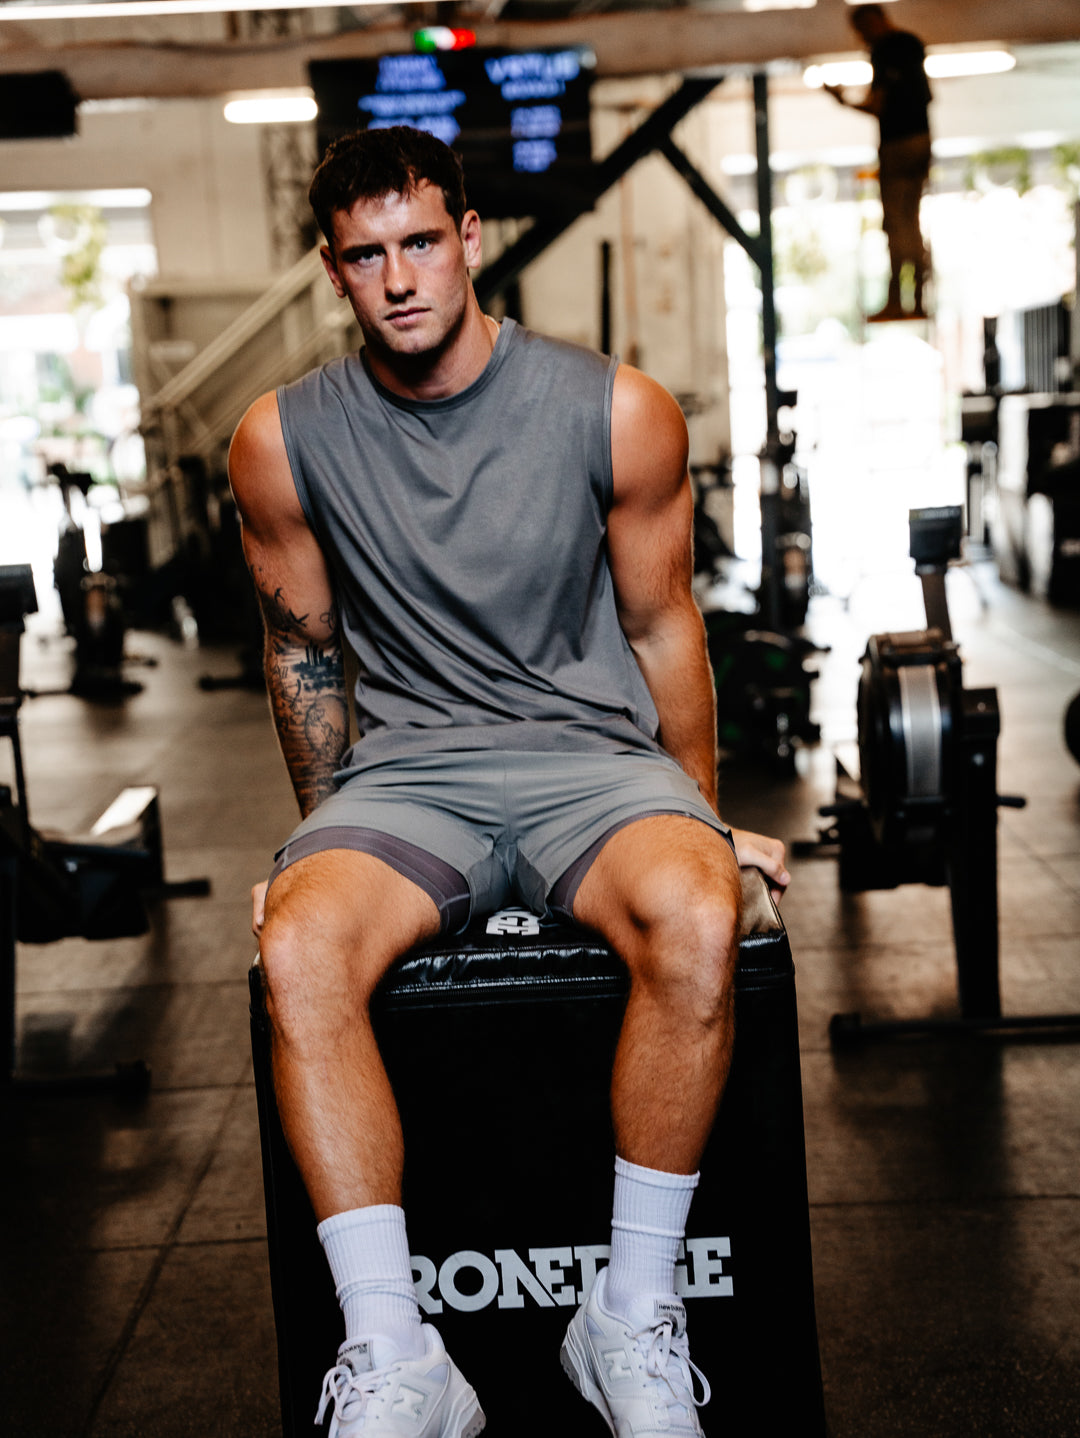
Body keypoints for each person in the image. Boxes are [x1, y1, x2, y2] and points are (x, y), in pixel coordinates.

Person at [228, 124, 790, 1438]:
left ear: (469, 237)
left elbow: (665, 628)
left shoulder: (616, 409)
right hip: (407, 775)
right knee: (300, 941)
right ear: (334, 269)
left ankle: (627, 1316)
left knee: (697, 910)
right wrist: (320, 848)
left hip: (594, 764)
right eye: (367, 256)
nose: (400, 278)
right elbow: (302, 654)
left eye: (423, 241)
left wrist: (702, 823)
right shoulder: (281, 440)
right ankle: (398, 1352)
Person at [826, 2, 933, 321]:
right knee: (911, 222)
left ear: (873, 23)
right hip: (922, 140)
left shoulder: (885, 51)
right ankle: (917, 300)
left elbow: (877, 106)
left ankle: (897, 302)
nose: (862, 38)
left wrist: (842, 101)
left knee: (896, 225)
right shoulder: (912, 45)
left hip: (897, 145)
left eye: (862, 31)